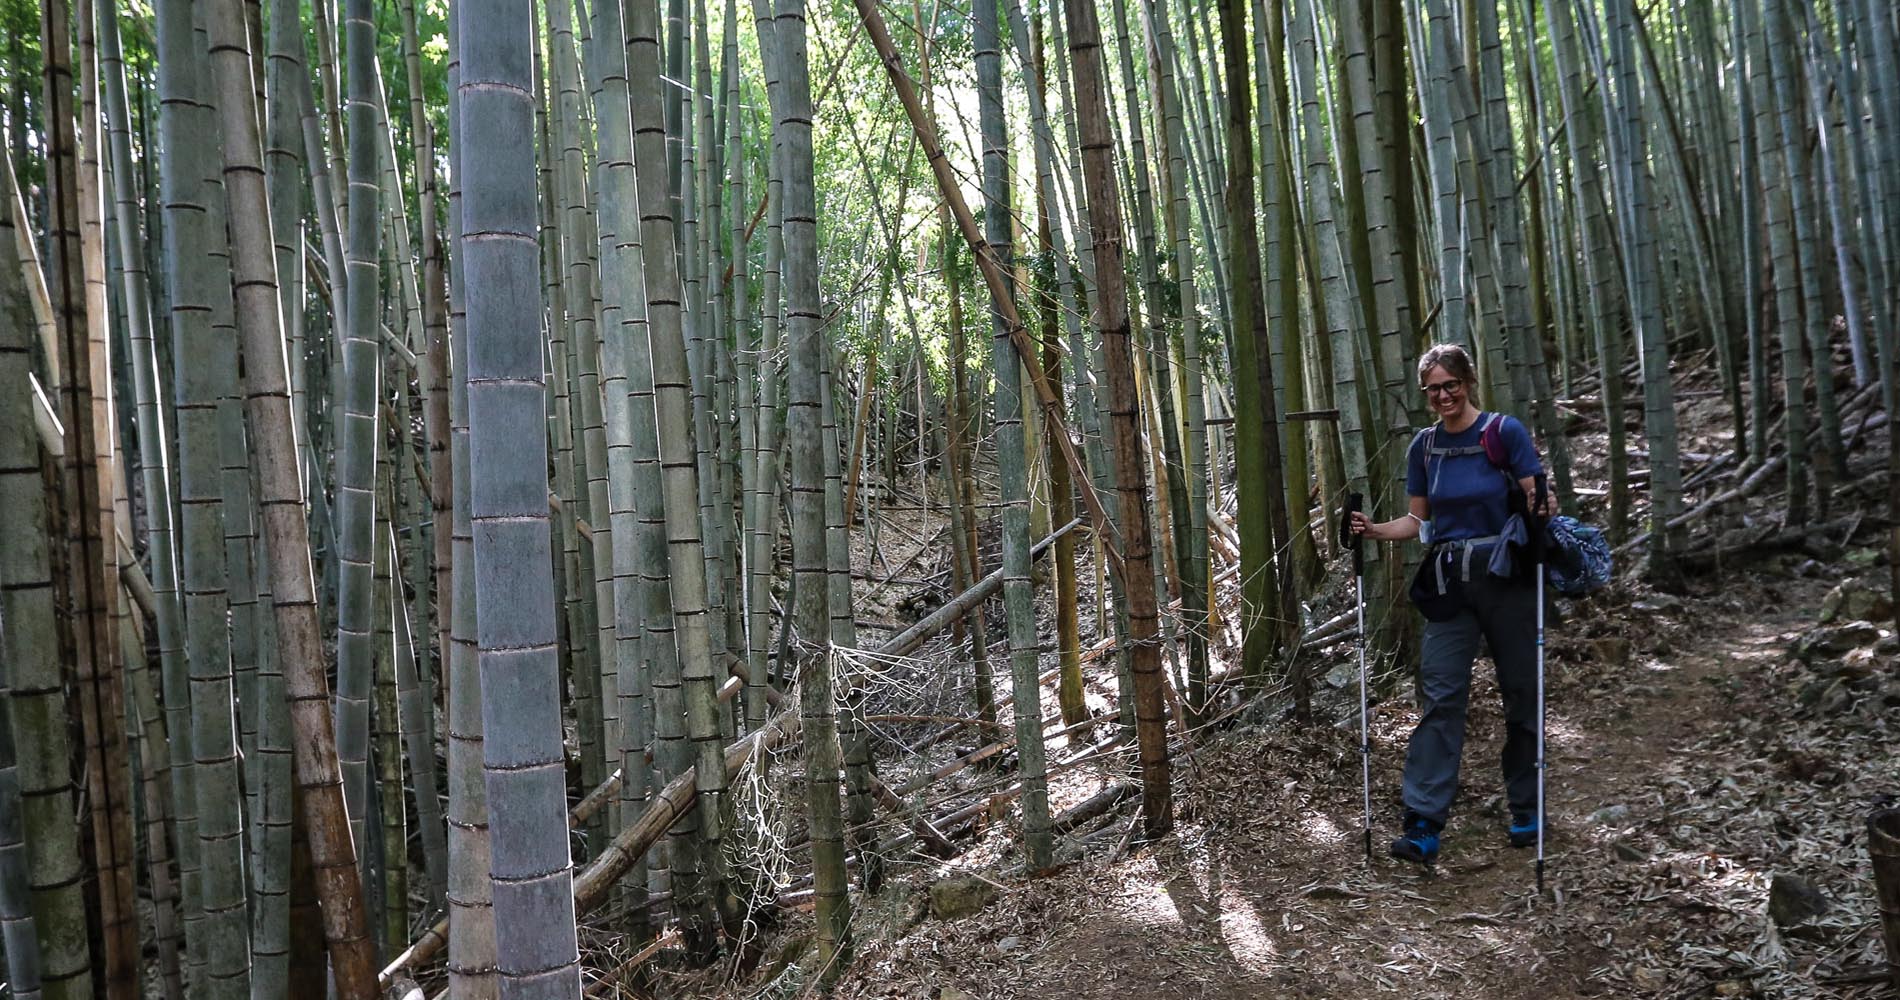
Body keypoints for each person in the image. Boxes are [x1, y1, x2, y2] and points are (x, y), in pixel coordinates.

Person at [1349, 343, 1551, 865]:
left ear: (1467, 381)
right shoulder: (1424, 446)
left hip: (1506, 576)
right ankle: (1422, 822)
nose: (1442, 395)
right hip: (1448, 582)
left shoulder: (1502, 433)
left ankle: (1527, 808)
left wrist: (1541, 508)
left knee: (1522, 693)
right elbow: (1417, 522)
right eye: (1433, 389)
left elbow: (1536, 498)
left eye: (1450, 385)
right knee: (1440, 697)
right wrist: (1372, 530)